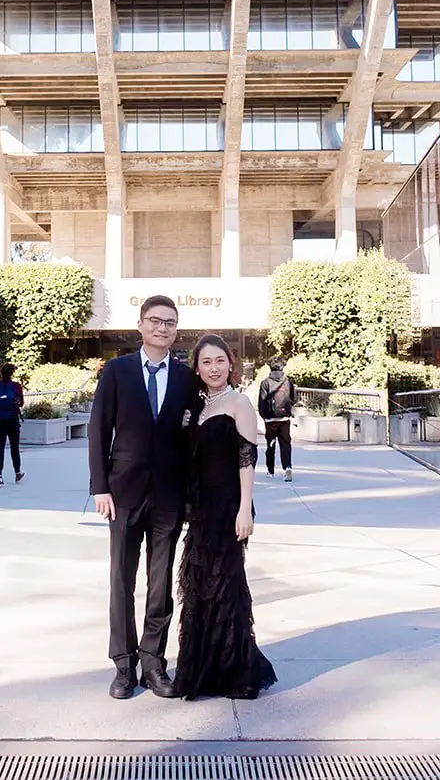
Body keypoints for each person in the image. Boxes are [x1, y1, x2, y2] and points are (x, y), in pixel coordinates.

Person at [88, 295, 198, 700]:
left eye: (170, 322)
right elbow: (99, 431)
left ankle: (154, 663)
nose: (162, 328)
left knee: (160, 582)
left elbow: (193, 436)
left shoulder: (187, 379)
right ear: (140, 325)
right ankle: (123, 665)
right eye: (155, 321)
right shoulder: (117, 371)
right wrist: (100, 486)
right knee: (121, 578)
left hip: (169, 493)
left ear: (176, 329)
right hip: (123, 493)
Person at [173, 333, 277, 700]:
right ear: (197, 369)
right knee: (199, 585)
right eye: (206, 362)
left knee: (226, 586)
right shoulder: (196, 407)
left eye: (220, 361)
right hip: (201, 509)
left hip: (230, 507)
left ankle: (236, 671)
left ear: (230, 364)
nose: (214, 368)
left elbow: (246, 458)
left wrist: (245, 508)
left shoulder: (239, 404)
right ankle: (201, 670)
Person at [256, 357, 296, 481]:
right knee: (285, 444)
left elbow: (261, 402)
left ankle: (270, 470)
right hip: (284, 419)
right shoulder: (287, 382)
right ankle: (287, 467)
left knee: (270, 445)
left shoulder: (265, 383)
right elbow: (294, 399)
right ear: (282, 367)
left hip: (270, 420)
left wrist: (265, 417)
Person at [0, 363, 25, 487]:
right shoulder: (16, 386)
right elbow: (21, 403)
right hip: (12, 420)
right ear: (12, 373)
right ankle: (17, 472)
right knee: (14, 447)